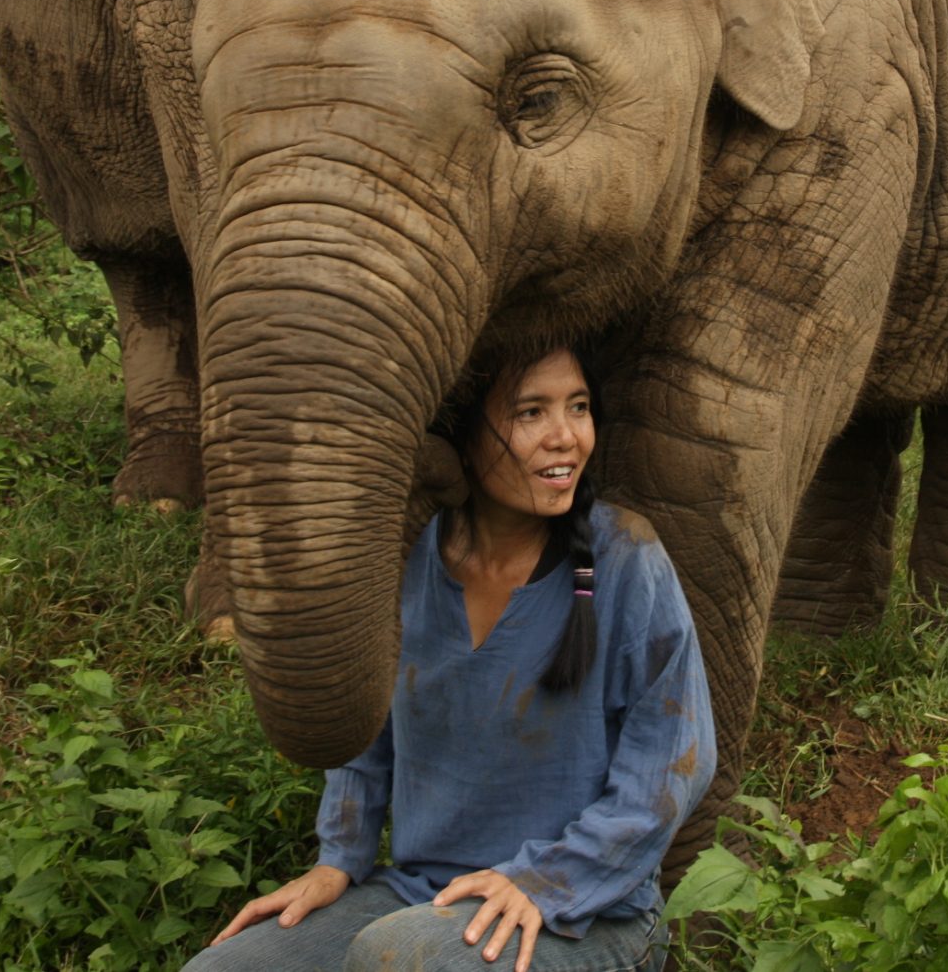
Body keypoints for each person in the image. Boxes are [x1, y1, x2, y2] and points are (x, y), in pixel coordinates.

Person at [186, 343, 713, 972]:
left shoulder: (625, 558)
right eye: (530, 414)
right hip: (423, 891)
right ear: (458, 436)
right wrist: (339, 858)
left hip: (586, 910)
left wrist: (549, 881)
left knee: (404, 958)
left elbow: (673, 765)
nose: (566, 437)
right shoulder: (407, 555)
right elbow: (367, 729)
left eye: (578, 407)